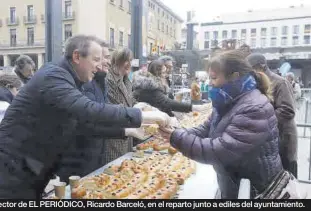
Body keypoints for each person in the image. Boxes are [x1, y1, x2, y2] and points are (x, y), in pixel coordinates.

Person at [0, 35, 170, 199]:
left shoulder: (72, 80)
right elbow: (89, 110)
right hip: (12, 168)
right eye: (95, 59)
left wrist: (127, 130)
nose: (99, 65)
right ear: (77, 56)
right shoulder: (54, 76)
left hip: (31, 167)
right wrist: (143, 115)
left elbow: (82, 125)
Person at [160, 50, 283, 199]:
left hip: (252, 190)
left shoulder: (253, 108)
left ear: (234, 77)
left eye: (214, 78)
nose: (210, 83)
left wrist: (177, 137)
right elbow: (207, 128)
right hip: (235, 183)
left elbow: (220, 151)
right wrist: (177, 131)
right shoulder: (230, 100)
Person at [247, 53, 298, 178]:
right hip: (269, 142)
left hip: (284, 139)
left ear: (262, 66)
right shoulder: (256, 83)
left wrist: (261, 120)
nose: (249, 73)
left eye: (251, 69)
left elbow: (287, 110)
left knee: (287, 181)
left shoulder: (280, 82)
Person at [132, 60, 208, 117]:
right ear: (157, 74)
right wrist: (193, 107)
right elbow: (167, 103)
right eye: (163, 72)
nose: (166, 75)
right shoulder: (151, 88)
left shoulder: (152, 85)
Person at [105, 48, 138, 164]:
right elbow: (114, 106)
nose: (129, 64)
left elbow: (130, 101)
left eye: (130, 60)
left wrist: (140, 106)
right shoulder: (109, 79)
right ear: (117, 61)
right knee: (115, 168)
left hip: (126, 134)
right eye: (126, 60)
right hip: (115, 136)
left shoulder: (124, 78)